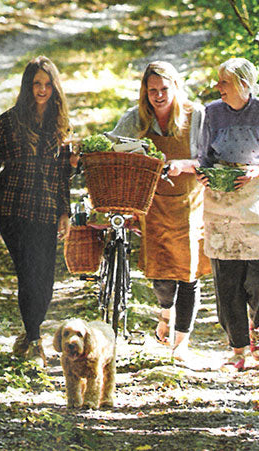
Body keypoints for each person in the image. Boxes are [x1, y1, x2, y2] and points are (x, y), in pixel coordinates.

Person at [169, 57, 259, 370]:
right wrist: (202, 174)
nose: (218, 87)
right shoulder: (212, 112)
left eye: (224, 82)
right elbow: (204, 158)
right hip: (221, 205)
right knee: (227, 281)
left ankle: (257, 322)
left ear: (243, 85)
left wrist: (258, 172)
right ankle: (238, 350)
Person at [0, 56, 75, 368]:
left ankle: (28, 334)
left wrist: (65, 212)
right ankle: (34, 339)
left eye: (47, 84)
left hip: (46, 207)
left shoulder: (61, 126)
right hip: (12, 207)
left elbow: (63, 176)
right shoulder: (7, 122)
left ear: (54, 88)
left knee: (45, 278)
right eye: (36, 84)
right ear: (27, 86)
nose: (42, 89)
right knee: (28, 272)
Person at [111, 61, 206, 362]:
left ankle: (181, 343)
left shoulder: (196, 116)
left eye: (164, 89)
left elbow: (212, 159)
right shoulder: (136, 119)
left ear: (176, 87)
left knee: (188, 273)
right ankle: (166, 312)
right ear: (145, 93)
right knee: (161, 275)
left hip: (190, 201)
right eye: (152, 91)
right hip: (152, 204)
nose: (159, 96)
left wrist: (183, 165)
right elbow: (113, 150)